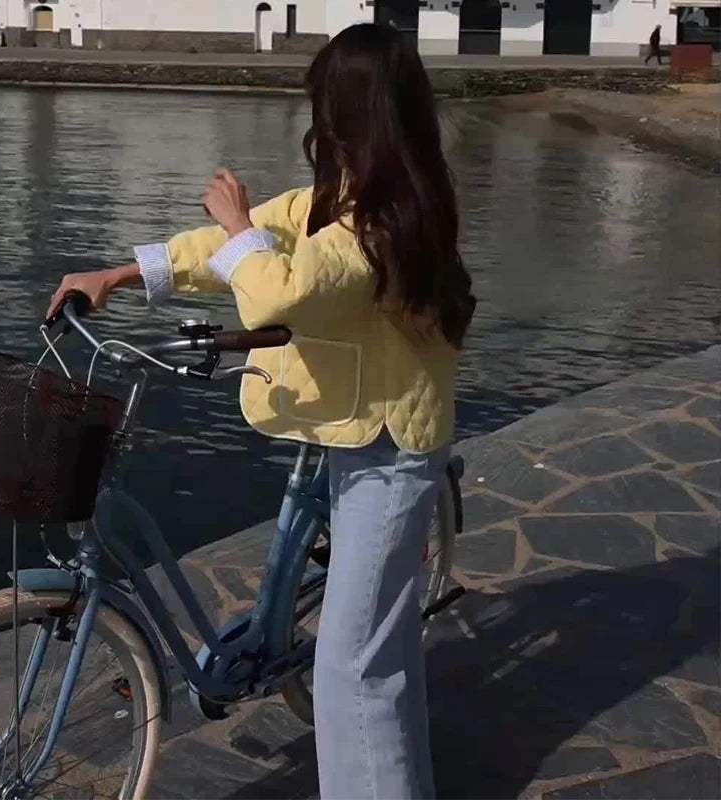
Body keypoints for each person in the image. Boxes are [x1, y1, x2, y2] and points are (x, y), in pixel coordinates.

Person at [48, 23, 476, 800]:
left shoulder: (385, 217)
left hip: (389, 447)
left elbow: (281, 285)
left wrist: (243, 229)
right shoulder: (344, 195)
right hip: (351, 428)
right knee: (379, 652)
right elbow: (243, 244)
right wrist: (122, 271)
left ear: (346, 112)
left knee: (354, 667)